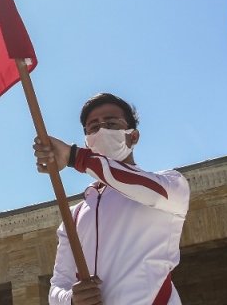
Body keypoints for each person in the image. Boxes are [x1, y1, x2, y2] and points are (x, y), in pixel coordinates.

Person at [34, 93, 190, 305]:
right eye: (93, 127)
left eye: (111, 123)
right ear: (87, 141)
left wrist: (76, 157)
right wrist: (71, 300)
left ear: (133, 136)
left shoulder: (171, 186)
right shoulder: (75, 215)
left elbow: (135, 183)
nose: (101, 130)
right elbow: (58, 287)